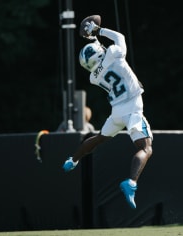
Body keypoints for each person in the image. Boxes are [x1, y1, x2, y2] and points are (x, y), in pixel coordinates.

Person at [62, 19, 153, 209]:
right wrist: (98, 30)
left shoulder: (93, 76)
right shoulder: (113, 54)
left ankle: (73, 160)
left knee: (99, 138)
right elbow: (119, 37)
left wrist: (94, 38)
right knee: (145, 148)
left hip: (117, 112)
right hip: (132, 106)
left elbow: (101, 56)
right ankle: (131, 183)